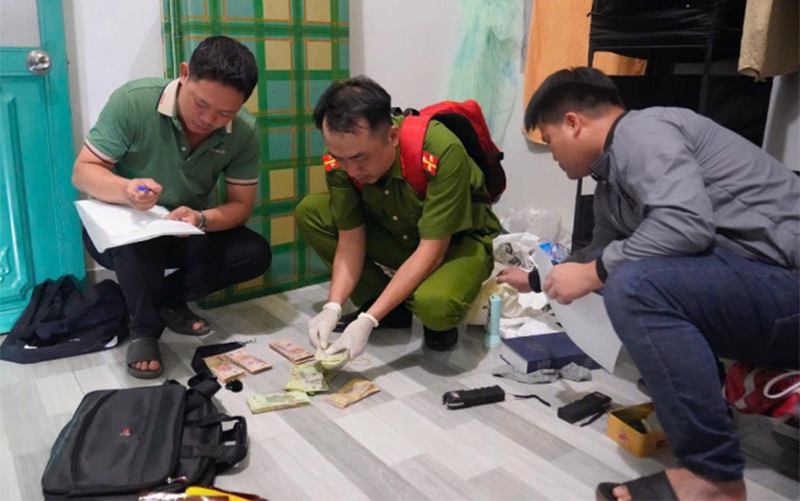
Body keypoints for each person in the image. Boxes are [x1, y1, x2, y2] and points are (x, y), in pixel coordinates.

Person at [499, 67, 799, 501]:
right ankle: (711, 426)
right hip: (762, 289)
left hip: (788, 282)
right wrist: (536, 279)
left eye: (549, 140)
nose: (553, 156)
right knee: (627, 276)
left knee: (634, 286)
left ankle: (711, 474)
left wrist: (596, 272)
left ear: (573, 122)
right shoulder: (610, 189)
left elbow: (685, 224)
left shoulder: (643, 132)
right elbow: (595, 254)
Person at [72, 35, 272, 379]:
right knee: (140, 242)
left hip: (182, 231)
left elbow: (241, 206)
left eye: (225, 113)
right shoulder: (133, 102)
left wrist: (201, 218)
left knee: (254, 252)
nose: (208, 119)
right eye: (200, 104)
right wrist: (126, 190)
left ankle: (167, 299)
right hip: (122, 233)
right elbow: (83, 171)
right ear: (184, 73)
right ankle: (144, 330)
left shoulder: (244, 131)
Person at [296, 76, 502, 359]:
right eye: (341, 159)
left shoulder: (439, 149)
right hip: (400, 234)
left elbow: (432, 251)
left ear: (392, 136)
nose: (351, 170)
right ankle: (387, 307)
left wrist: (368, 320)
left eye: (360, 159)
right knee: (311, 211)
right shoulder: (342, 157)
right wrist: (332, 306)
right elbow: (351, 239)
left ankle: (422, 311)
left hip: (454, 243)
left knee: (435, 305)